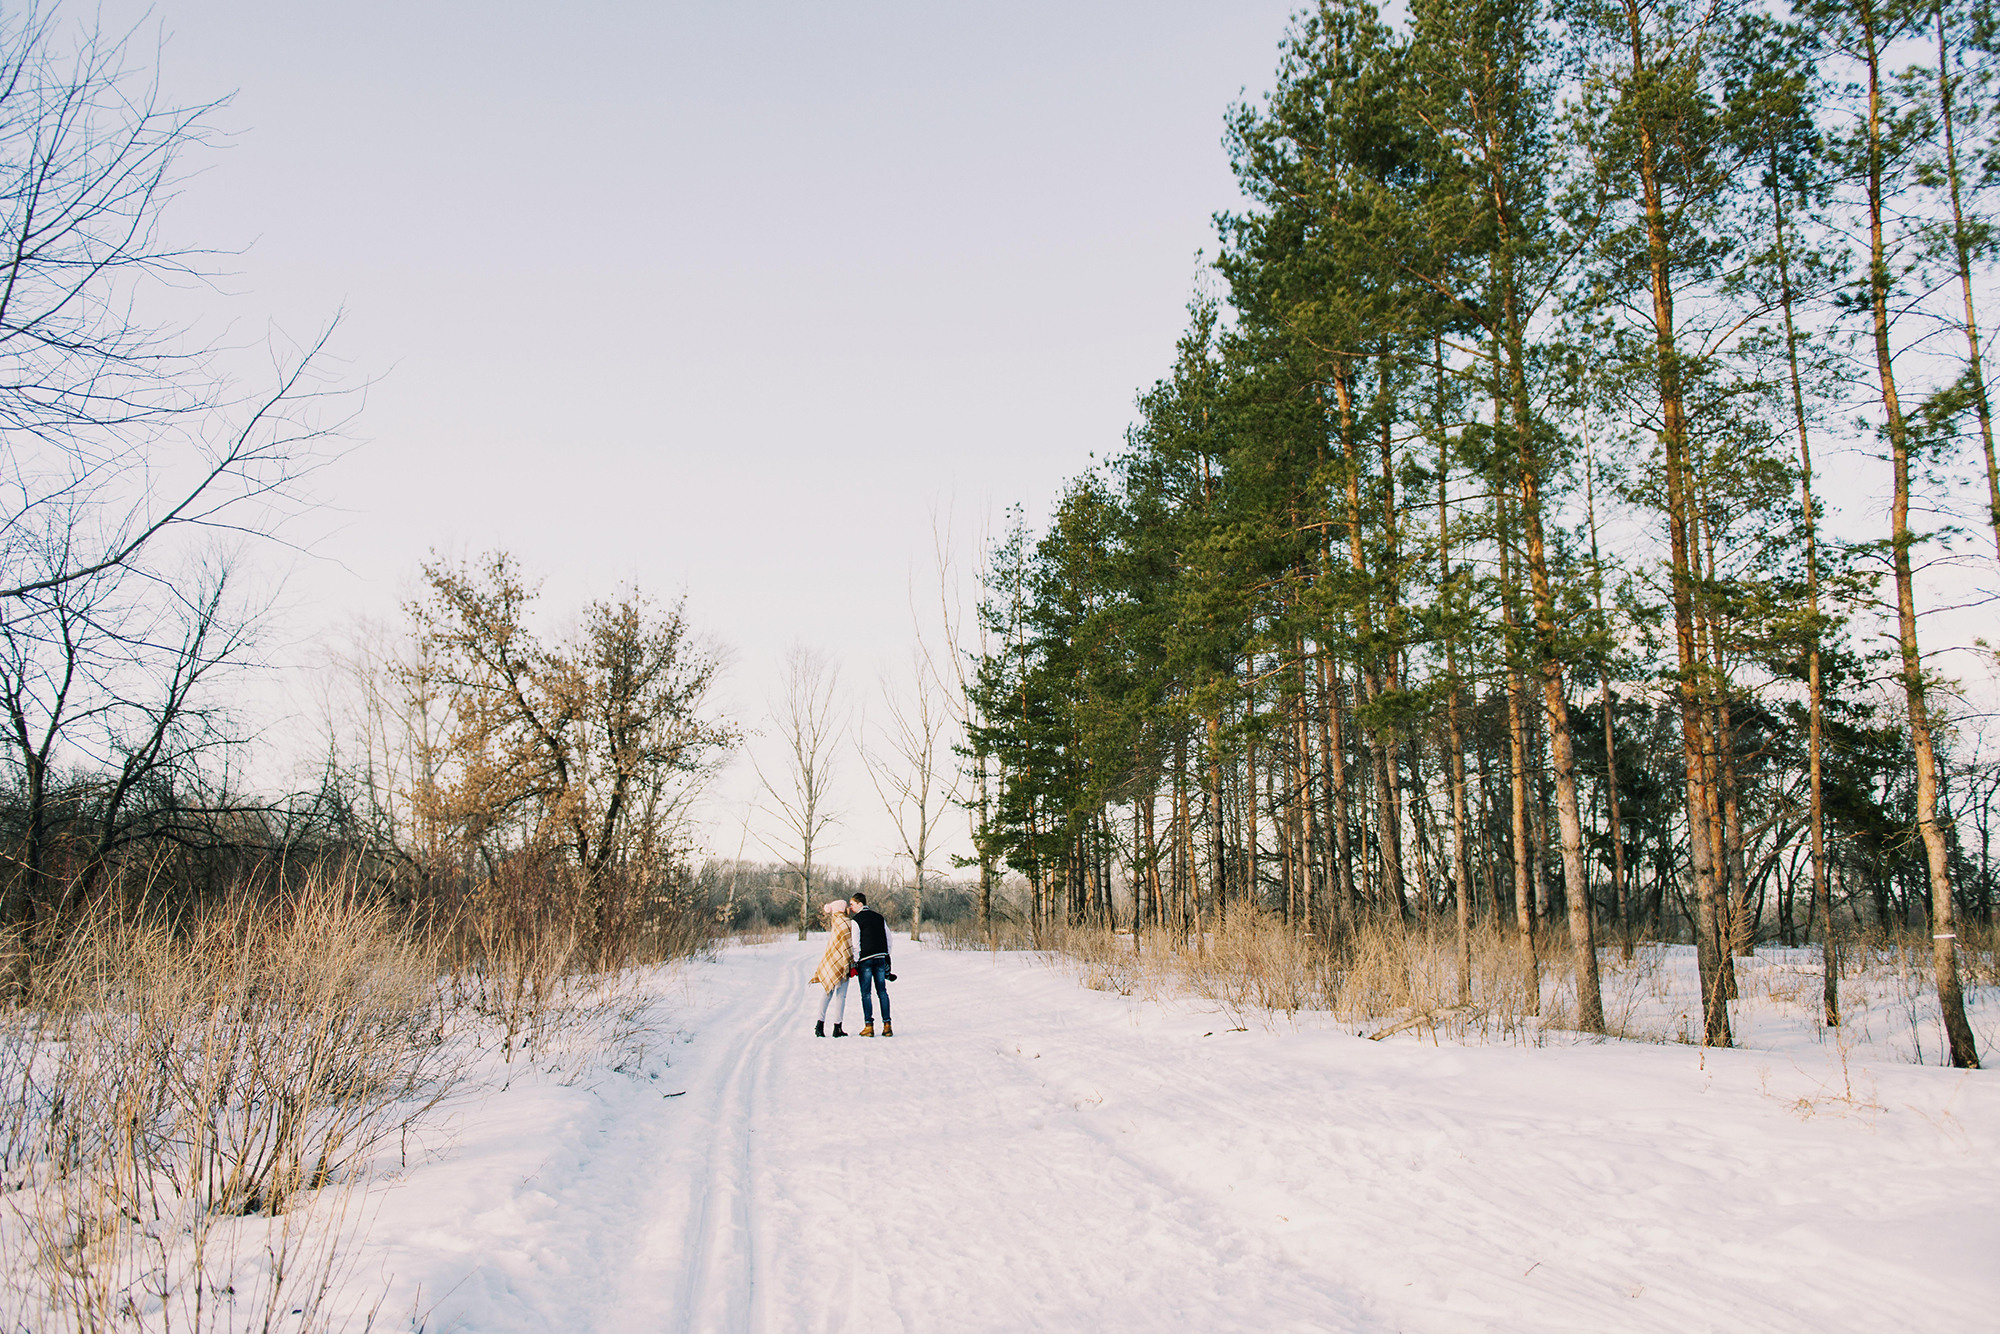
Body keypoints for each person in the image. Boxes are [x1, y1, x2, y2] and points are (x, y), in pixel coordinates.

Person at [847, 892, 893, 1037]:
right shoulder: (879, 917)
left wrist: (855, 960)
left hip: (865, 959)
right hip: (880, 957)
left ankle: (869, 1026)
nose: (851, 907)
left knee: (866, 993)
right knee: (882, 992)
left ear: (860, 904)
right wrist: (886, 954)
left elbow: (855, 943)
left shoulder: (856, 920)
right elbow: (889, 938)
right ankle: (887, 1025)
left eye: (853, 904)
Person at [809, 899, 853, 1037]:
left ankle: (819, 1025)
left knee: (827, 993)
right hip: (842, 962)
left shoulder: (835, 921)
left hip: (832, 961)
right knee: (841, 996)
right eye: (846, 906)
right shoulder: (846, 923)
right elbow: (850, 944)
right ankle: (837, 1027)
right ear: (842, 909)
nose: (848, 909)